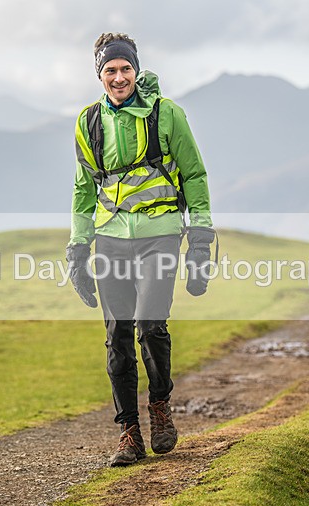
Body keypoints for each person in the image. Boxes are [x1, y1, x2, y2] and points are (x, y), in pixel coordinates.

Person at [66, 32, 214, 467]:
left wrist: (201, 241)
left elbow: (195, 176)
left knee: (150, 324)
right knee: (116, 337)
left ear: (136, 69)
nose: (118, 77)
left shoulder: (167, 114)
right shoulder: (87, 122)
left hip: (160, 235)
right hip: (110, 238)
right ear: (99, 74)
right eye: (109, 70)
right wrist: (77, 250)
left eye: (125, 68)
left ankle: (160, 408)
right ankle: (128, 432)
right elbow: (83, 191)